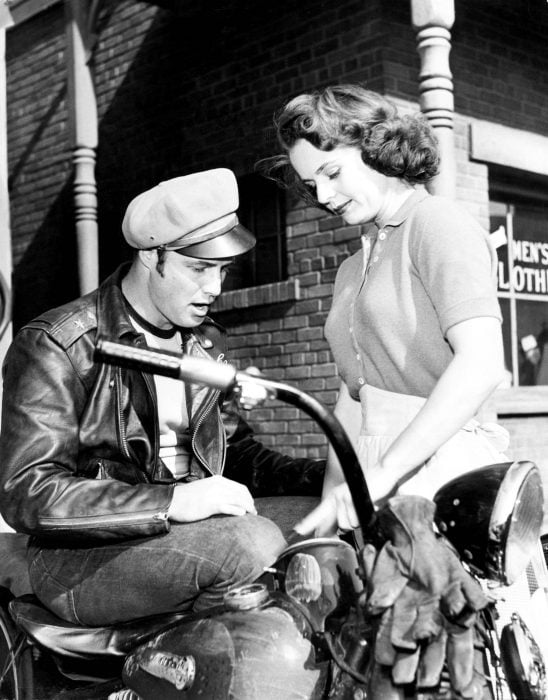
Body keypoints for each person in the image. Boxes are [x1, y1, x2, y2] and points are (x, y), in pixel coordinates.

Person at [0, 168, 323, 626]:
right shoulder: (60, 343)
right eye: (198, 268)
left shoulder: (204, 340)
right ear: (153, 256)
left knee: (325, 522)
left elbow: (237, 457)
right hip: (80, 559)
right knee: (250, 544)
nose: (214, 288)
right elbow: (28, 493)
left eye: (221, 271)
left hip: (193, 534)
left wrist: (328, 477)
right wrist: (172, 502)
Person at [262, 84, 509, 538]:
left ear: (377, 148)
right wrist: (331, 512)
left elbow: (483, 362)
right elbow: (352, 400)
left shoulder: (436, 223)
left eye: (332, 172)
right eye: (313, 184)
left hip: (438, 462)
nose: (324, 194)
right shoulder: (353, 266)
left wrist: (385, 471)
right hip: (372, 465)